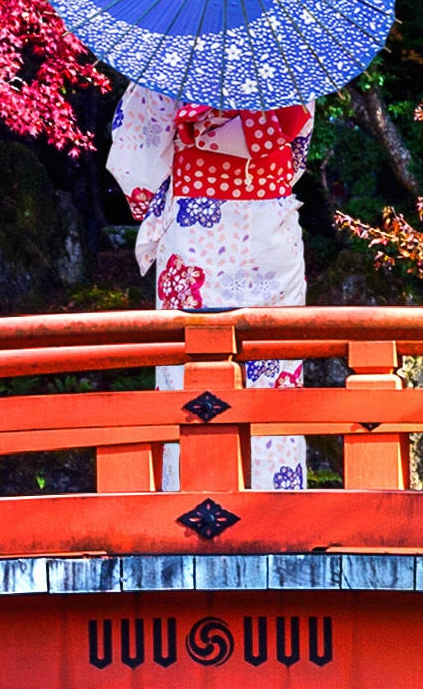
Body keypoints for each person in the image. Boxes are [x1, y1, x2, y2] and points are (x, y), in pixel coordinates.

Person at [106, 82, 315, 491]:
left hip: (196, 237)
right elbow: (296, 157)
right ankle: (278, 504)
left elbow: (135, 157)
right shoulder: (289, 64)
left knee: (190, 376)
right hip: (271, 235)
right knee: (275, 380)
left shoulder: (172, 63)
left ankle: (193, 503)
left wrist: (164, 189)